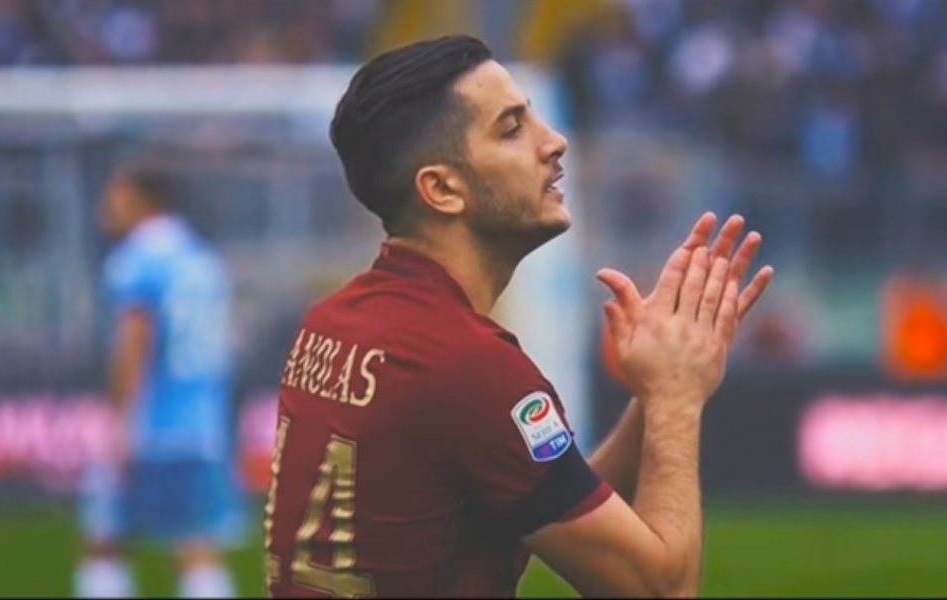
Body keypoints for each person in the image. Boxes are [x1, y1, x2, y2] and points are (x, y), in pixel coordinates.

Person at [263, 34, 773, 598]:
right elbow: (661, 589)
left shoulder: (332, 321)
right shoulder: (467, 365)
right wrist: (678, 401)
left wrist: (655, 393)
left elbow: (537, 501)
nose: (554, 142)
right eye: (511, 129)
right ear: (442, 188)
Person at [75, 161, 245, 598]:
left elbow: (134, 344)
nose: (105, 207)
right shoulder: (202, 259)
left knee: (104, 541)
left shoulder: (138, 260)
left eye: (114, 196)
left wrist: (120, 422)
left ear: (143, 200)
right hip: (202, 422)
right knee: (196, 544)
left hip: (153, 423)